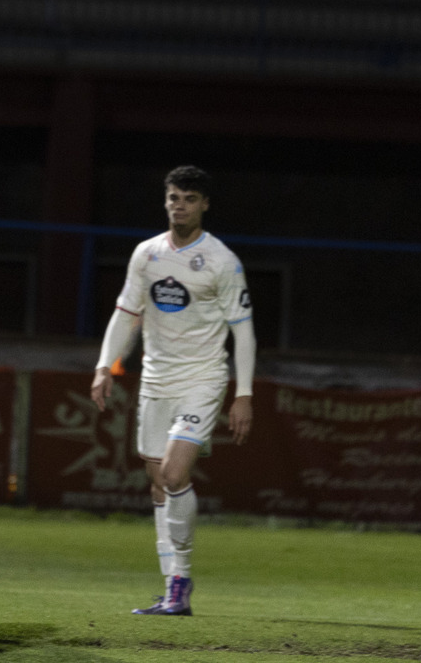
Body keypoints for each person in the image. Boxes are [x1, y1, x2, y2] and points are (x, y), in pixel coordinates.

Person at [90, 165, 254, 617]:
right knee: (158, 486)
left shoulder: (221, 261)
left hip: (202, 380)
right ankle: (171, 589)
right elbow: (126, 313)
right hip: (155, 382)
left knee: (174, 475)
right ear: (166, 201)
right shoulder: (147, 254)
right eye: (173, 198)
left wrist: (244, 394)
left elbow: (244, 331)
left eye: (188, 199)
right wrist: (106, 366)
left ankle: (181, 582)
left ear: (204, 205)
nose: (179, 206)